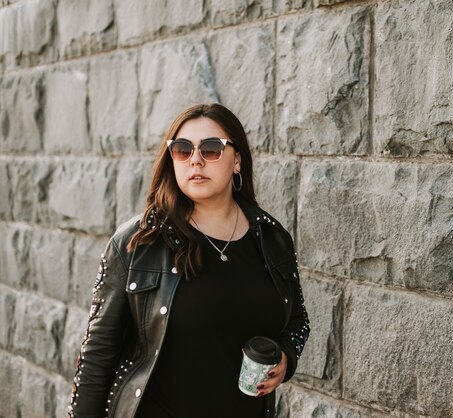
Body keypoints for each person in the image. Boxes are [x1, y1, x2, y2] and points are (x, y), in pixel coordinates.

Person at [68, 103, 310, 418]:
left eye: (211, 149)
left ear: (237, 160)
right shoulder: (138, 243)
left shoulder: (271, 238)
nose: (195, 159)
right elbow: (96, 359)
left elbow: (297, 320)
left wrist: (286, 359)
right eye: (182, 150)